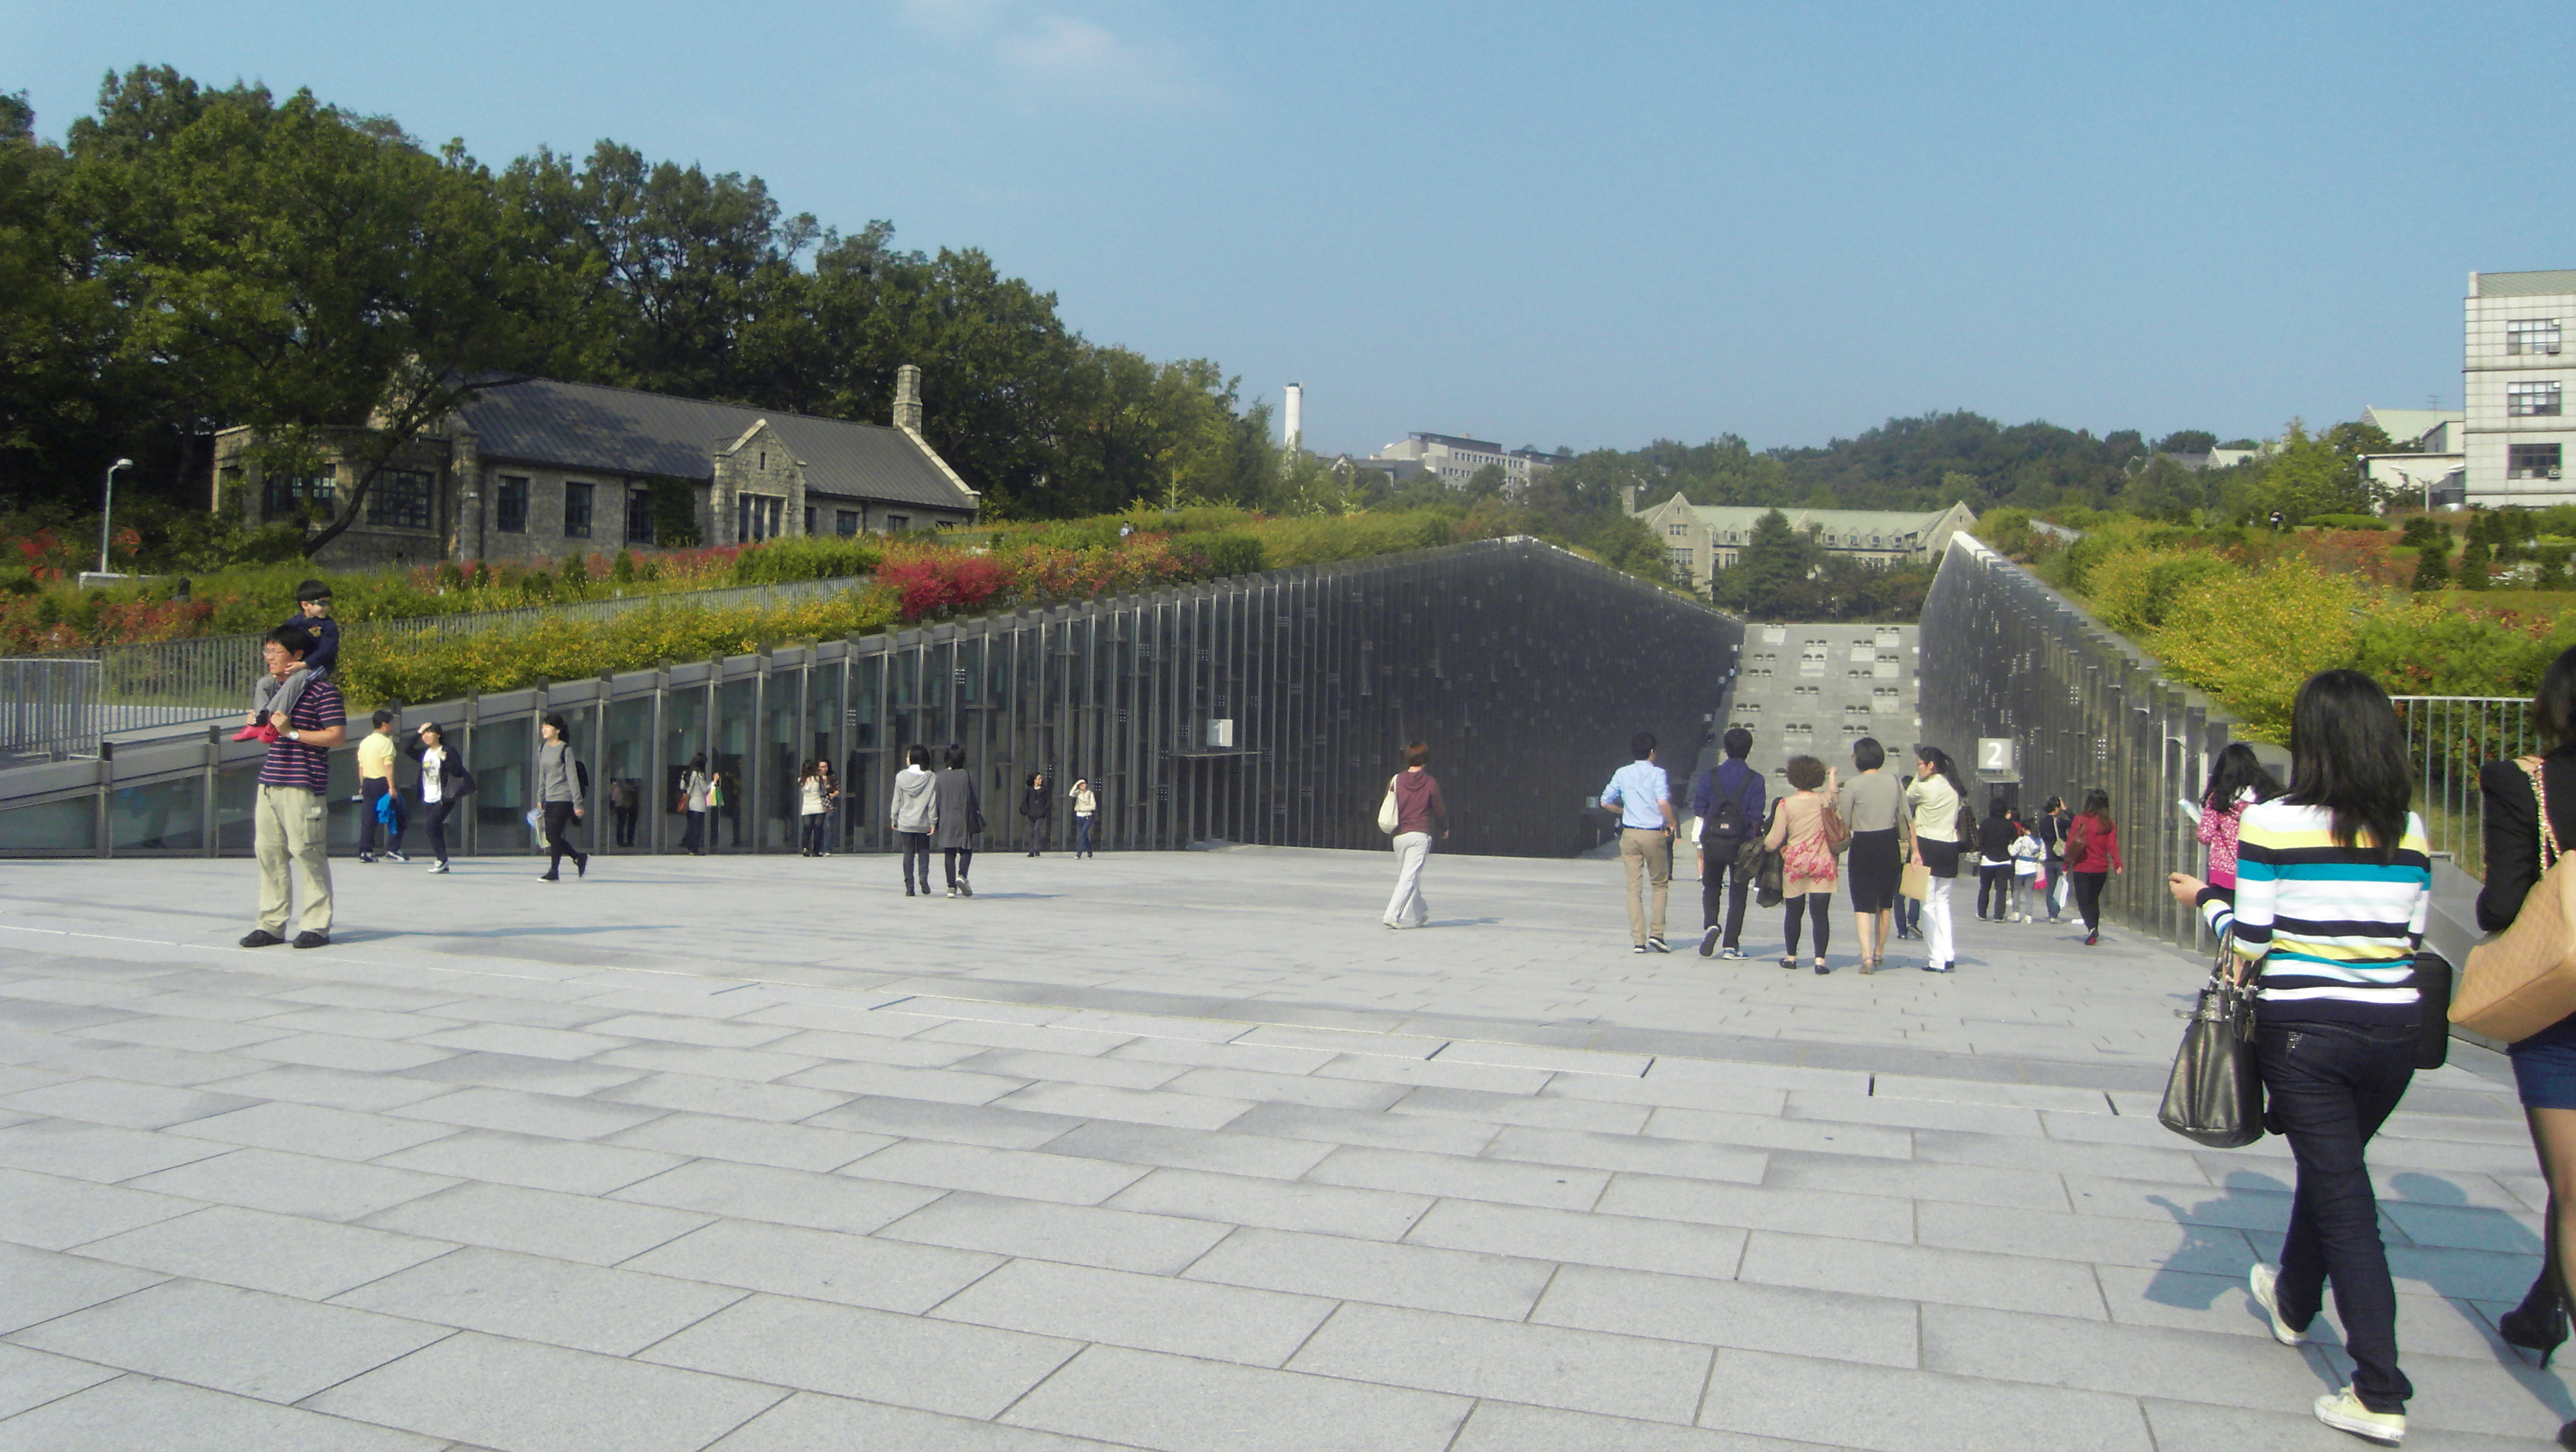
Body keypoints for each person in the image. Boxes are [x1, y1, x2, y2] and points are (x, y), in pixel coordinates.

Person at [2166, 669, 2429, 1445]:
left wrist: (2204, 901)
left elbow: (2250, 941)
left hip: (2306, 1033)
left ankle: (2378, 1388)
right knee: (2333, 1169)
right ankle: (2292, 1300)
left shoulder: (2274, 823)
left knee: (2347, 1203)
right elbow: (2410, 939)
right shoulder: (2410, 828)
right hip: (2394, 1034)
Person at [2474, 643, 2576, 1393]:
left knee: (2574, 1192)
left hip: (2558, 1006)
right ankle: (2544, 1307)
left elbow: (2502, 905)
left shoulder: (2523, 782)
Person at [240, 624, 345, 949]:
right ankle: (271, 924)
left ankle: (316, 926)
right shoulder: (273, 690)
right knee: (269, 854)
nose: (269, 657)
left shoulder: (323, 691)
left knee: (307, 854)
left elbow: (336, 737)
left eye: (276, 651)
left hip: (303, 783)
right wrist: (256, 724)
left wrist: (291, 732)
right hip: (270, 782)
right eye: (267, 650)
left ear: (297, 655)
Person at [1693, 727, 1767, 959]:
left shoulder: (1710, 776)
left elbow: (1699, 808)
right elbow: (1756, 815)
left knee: (1711, 885)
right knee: (1738, 892)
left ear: (1725, 748)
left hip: (1713, 840)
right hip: (1741, 842)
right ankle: (1730, 945)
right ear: (1749, 749)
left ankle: (1711, 924)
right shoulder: (1755, 779)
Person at [1835, 736, 1907, 973]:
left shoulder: (1853, 785)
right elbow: (1907, 816)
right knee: (1885, 903)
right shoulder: (1894, 781)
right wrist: (1915, 849)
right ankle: (1878, 952)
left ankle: (1866, 957)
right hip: (1888, 843)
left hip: (1863, 844)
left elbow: (1844, 821)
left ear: (1858, 759)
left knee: (1862, 904)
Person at [1600, 732, 1676, 953]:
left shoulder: (1622, 773)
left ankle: (1638, 940)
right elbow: (1662, 801)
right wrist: (1671, 822)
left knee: (1634, 888)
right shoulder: (1658, 773)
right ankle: (1657, 934)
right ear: (1652, 752)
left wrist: (1623, 811)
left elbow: (1605, 801)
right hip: (1652, 833)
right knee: (1659, 884)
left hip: (1630, 833)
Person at [1764, 755, 1840, 974]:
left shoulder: (1786, 804)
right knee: (1820, 915)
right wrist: (1832, 776)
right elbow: (1835, 795)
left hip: (1795, 864)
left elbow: (1774, 840)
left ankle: (1791, 957)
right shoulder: (1825, 800)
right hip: (1823, 864)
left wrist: (1765, 845)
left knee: (1793, 913)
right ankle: (1820, 961)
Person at [236, 580, 337, 743]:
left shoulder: (328, 626)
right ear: (305, 605)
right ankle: (259, 719)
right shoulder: (295, 622)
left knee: (298, 678)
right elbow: (284, 640)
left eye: (328, 603)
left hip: (318, 667)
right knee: (265, 683)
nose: (326, 607)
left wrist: (305, 664)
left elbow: (327, 650)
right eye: (322, 603)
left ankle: (273, 719)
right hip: (297, 664)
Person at [1903, 745, 1968, 972]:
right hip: (1949, 846)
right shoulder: (1953, 788)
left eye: (1920, 764)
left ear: (1930, 765)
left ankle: (1936, 958)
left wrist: (1918, 778)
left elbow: (1907, 797)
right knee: (1943, 903)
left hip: (1928, 845)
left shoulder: (1925, 788)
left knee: (1928, 904)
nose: (1918, 769)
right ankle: (1948, 954)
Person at [2197, 743, 2284, 907]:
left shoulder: (2218, 799)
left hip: (2224, 876)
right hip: (2260, 870)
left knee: (2224, 917)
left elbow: (2204, 835)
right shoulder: (2267, 797)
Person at [1382, 742, 1448, 929]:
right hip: (1419, 834)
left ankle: (1420, 915)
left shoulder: (1396, 780)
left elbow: (1389, 803)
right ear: (1425, 759)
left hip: (1399, 835)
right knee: (1409, 877)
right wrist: (1444, 828)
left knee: (1409, 876)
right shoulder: (1430, 782)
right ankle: (1392, 915)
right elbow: (1439, 809)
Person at [403, 721, 472, 874]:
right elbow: (407, 749)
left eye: (429, 732)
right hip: (429, 796)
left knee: (430, 826)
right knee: (436, 828)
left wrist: (444, 759)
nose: (426, 736)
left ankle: (442, 859)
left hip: (444, 796)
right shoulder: (425, 753)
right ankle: (442, 861)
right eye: (424, 733)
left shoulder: (447, 750)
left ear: (439, 735)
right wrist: (418, 732)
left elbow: (456, 770)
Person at [535, 713, 588, 882]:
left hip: (564, 797)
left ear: (557, 730)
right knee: (550, 836)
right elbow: (542, 775)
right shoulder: (542, 749)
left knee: (553, 833)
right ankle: (578, 857)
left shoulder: (566, 750)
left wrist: (577, 803)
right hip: (550, 797)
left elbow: (572, 777)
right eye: (543, 726)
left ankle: (554, 871)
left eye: (548, 726)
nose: (544, 729)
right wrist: (540, 796)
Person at [2066, 787, 2123, 946]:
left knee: (2083, 901)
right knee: (2093, 900)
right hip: (2101, 868)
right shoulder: (2108, 824)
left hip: (2082, 867)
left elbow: (2071, 843)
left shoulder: (2080, 820)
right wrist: (2117, 863)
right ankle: (2094, 928)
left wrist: (2066, 864)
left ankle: (2092, 928)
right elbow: (2112, 845)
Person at [355, 708, 408, 864]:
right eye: (391, 724)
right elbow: (388, 766)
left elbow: (361, 766)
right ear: (384, 725)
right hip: (382, 783)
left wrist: (362, 784)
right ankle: (393, 848)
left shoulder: (365, 742)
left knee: (368, 818)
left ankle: (366, 851)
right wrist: (391, 787)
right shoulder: (386, 743)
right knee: (400, 815)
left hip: (367, 782)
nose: (392, 727)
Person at [933, 743, 982, 897]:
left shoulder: (939, 777)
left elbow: (937, 800)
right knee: (966, 850)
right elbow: (973, 798)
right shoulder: (967, 775)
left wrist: (935, 820)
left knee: (949, 853)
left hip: (946, 818)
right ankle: (962, 875)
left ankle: (951, 888)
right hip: (963, 818)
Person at [890, 744, 939, 895]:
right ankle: (923, 877)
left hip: (905, 821)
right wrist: (933, 822)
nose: (906, 758)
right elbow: (933, 802)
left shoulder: (900, 777)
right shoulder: (931, 777)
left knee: (908, 853)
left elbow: (897, 800)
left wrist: (894, 817)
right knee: (924, 851)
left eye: (908, 755)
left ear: (913, 758)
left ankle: (909, 886)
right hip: (923, 822)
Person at [1974, 799, 2022, 921]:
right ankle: (1999, 916)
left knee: (1985, 888)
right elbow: (2015, 840)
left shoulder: (1985, 823)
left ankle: (1982, 913)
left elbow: (1980, 840)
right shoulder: (2010, 825)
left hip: (1987, 860)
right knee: (2001, 890)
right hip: (2005, 861)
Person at [2035, 795, 2073, 923]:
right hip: (2060, 858)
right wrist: (2066, 809)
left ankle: (2052, 914)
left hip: (2049, 858)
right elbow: (2076, 822)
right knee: (2060, 886)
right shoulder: (2060, 822)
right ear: (2057, 808)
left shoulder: (2042, 823)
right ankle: (2055, 913)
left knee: (2051, 887)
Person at [798, 760, 833, 857]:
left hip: (806, 807)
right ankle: (816, 850)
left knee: (807, 828)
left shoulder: (801, 780)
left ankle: (805, 848)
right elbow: (825, 791)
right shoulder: (820, 779)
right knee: (818, 829)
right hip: (819, 806)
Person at [679, 753, 712, 856]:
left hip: (690, 803)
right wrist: (713, 783)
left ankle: (689, 848)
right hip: (699, 804)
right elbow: (705, 789)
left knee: (690, 826)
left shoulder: (687, 772)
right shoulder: (699, 774)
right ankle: (694, 849)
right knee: (697, 828)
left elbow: (682, 787)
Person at [1021, 772, 1053, 857]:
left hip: (1041, 814)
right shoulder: (1029, 790)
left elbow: (1048, 802)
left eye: (1041, 779)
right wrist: (1028, 811)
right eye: (1039, 779)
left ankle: (1037, 849)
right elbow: (1025, 801)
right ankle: (1031, 850)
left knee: (1037, 829)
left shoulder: (1045, 790)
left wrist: (1044, 811)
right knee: (1031, 832)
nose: (1040, 780)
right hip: (1031, 814)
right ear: (1034, 780)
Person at [1071, 777, 1098, 858]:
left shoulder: (1090, 793)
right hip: (1079, 817)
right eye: (1080, 784)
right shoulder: (1078, 793)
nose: (1082, 786)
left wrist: (1082, 808)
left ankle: (1079, 853)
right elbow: (1071, 794)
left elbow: (1093, 806)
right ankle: (1090, 852)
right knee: (1084, 835)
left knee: (1083, 833)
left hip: (1088, 816)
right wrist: (1076, 784)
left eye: (1084, 784)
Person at [610, 776, 639, 849]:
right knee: (625, 822)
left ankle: (625, 841)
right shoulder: (623, 775)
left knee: (625, 822)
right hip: (624, 800)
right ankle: (625, 841)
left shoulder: (621, 777)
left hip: (626, 800)